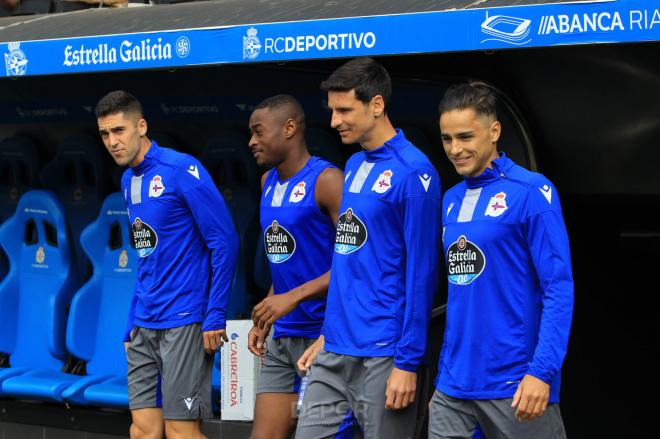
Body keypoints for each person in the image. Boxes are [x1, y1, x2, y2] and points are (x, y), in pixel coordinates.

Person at [294, 57, 442, 439]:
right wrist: (328, 333)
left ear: (376, 105)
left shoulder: (415, 172)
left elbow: (422, 275)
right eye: (332, 110)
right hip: (335, 348)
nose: (334, 121)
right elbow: (349, 261)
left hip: (384, 352)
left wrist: (407, 363)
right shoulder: (356, 163)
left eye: (344, 110)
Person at [429, 82, 573, 438]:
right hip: (453, 387)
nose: (455, 149)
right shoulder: (450, 199)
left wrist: (542, 372)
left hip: (516, 385)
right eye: (447, 139)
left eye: (465, 136)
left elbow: (558, 288)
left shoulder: (531, 192)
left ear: (494, 131)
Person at [95, 90, 238, 439]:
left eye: (119, 130)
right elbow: (147, 257)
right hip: (144, 324)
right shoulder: (127, 181)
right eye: (104, 134)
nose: (112, 141)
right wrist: (132, 323)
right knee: (143, 430)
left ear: (141, 126)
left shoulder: (181, 169)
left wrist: (215, 313)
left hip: (184, 321)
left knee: (180, 432)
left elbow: (224, 241)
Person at [245, 94, 347, 439]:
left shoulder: (328, 180)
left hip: (325, 335)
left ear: (289, 128)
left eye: (259, 132)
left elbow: (357, 265)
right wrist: (267, 312)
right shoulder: (266, 183)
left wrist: (291, 298)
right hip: (283, 333)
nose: (251, 142)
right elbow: (283, 260)